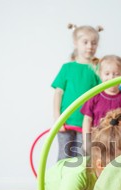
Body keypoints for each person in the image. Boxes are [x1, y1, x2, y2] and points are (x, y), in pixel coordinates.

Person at [52, 24, 103, 161]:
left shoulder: (98, 69)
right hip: (66, 121)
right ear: (76, 43)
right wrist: (57, 119)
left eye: (94, 43)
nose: (89, 46)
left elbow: (101, 96)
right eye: (85, 42)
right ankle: (61, 182)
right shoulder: (67, 68)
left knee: (82, 158)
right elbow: (58, 94)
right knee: (64, 156)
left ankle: (80, 183)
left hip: (86, 124)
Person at [81, 55, 121, 150]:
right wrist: (86, 141)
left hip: (118, 144)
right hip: (97, 142)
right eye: (107, 74)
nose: (111, 77)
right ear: (100, 74)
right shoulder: (93, 96)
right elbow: (87, 120)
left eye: (116, 74)